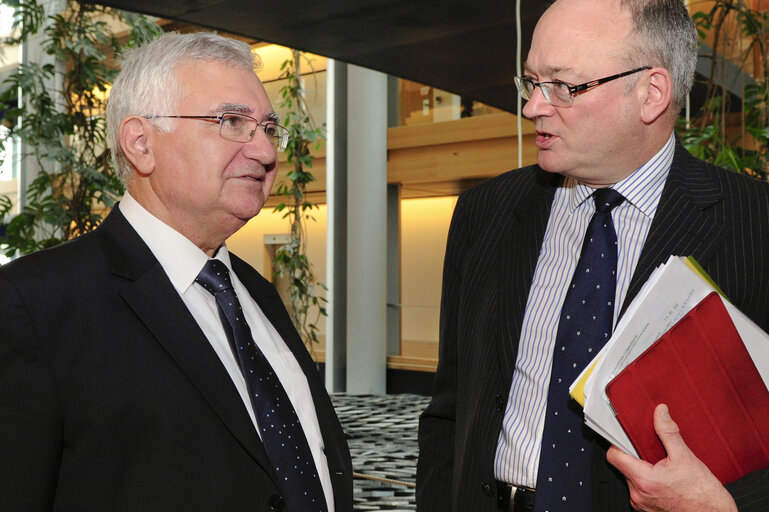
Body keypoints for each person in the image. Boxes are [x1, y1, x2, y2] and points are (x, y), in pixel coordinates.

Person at [416, 0, 769, 511]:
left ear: (651, 93)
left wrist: (725, 505)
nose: (533, 106)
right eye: (531, 82)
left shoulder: (753, 224)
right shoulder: (484, 213)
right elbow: (449, 411)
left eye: (564, 86)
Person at [0, 31, 352, 511]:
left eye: (269, 128)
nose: (267, 153)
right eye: (231, 121)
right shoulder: (33, 304)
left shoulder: (257, 292)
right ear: (141, 143)